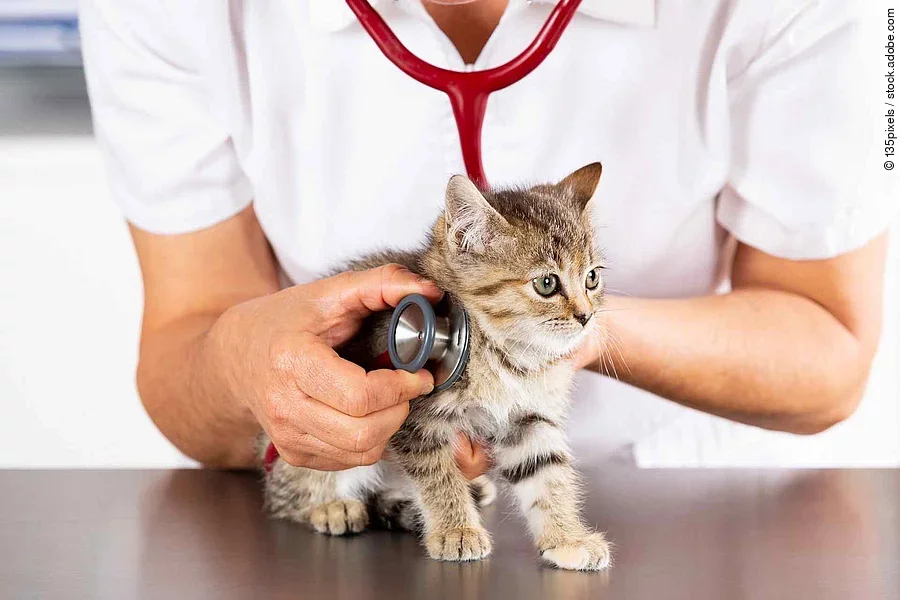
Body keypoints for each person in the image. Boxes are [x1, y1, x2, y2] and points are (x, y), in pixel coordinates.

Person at [79, 0, 897, 472]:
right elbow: (185, 348)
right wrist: (245, 368)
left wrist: (567, 334)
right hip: (376, 512)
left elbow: (828, 350)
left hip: (683, 505)